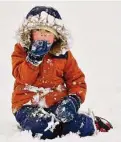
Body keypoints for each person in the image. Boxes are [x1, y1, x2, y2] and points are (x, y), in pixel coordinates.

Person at [11, 6, 112, 139]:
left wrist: (73, 100)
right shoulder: (21, 51)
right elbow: (22, 78)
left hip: (57, 104)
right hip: (27, 105)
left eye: (47, 32)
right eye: (38, 30)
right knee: (42, 127)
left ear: (56, 37)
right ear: (29, 33)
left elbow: (77, 80)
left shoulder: (63, 55)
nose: (42, 34)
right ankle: (50, 126)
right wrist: (32, 60)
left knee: (78, 125)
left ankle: (91, 122)